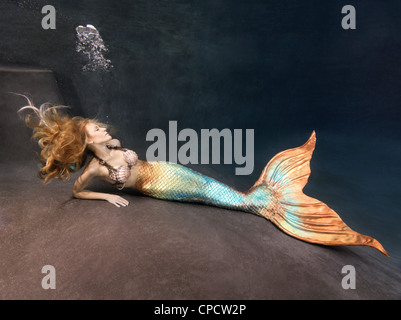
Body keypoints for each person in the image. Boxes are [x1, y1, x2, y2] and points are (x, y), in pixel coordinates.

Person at [17, 95, 389, 257]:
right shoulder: (96, 167)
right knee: (220, 197)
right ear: (86, 140)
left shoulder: (115, 148)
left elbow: (125, 156)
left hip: (166, 170)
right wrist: (106, 195)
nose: (101, 128)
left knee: (216, 189)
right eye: (95, 128)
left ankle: (266, 201)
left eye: (98, 125)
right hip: (158, 186)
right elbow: (78, 192)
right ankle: (269, 203)